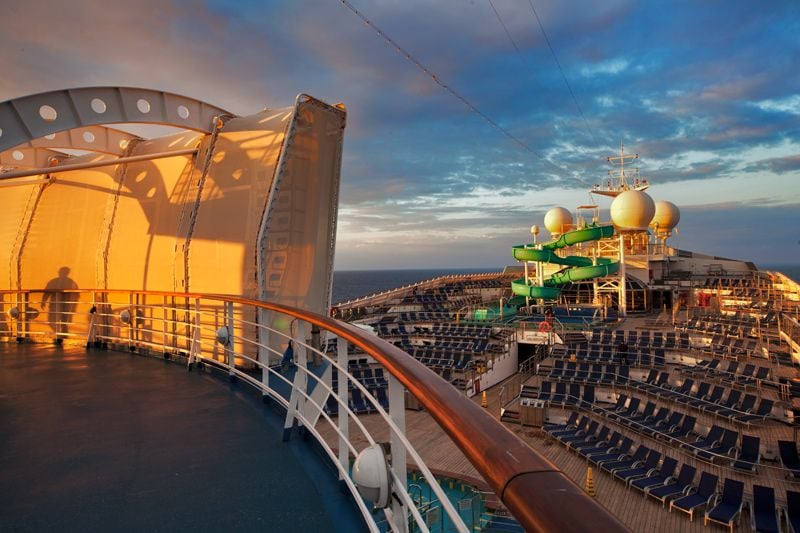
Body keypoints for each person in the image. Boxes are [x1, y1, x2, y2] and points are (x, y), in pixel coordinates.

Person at [41, 266, 79, 343]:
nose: (61, 273)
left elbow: (76, 296)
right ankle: (60, 335)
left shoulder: (71, 282)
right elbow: (47, 292)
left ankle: (63, 338)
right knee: (51, 321)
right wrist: (43, 301)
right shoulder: (54, 281)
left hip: (66, 306)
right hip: (55, 306)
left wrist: (73, 307)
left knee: (64, 324)